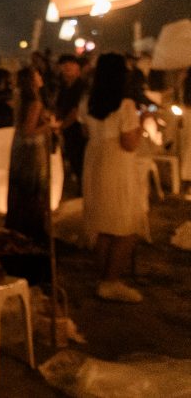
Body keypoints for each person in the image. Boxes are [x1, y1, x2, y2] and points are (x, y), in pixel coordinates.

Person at [81, 53, 148, 303]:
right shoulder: (126, 105)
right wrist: (143, 122)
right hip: (117, 164)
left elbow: (85, 131)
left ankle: (103, 279)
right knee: (125, 226)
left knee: (103, 224)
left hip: (95, 160)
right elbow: (129, 143)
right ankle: (111, 281)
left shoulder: (87, 102)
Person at [5, 66, 56, 244]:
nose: (40, 77)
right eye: (37, 75)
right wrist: (49, 126)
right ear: (32, 80)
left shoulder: (21, 99)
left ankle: (19, 228)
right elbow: (28, 131)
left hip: (20, 149)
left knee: (21, 189)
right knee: (33, 189)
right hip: (31, 151)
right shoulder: (35, 102)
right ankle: (32, 230)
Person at [55, 54, 88, 192]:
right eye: (64, 65)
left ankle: (84, 189)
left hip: (79, 130)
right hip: (68, 130)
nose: (67, 67)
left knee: (81, 160)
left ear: (77, 68)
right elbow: (59, 107)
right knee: (74, 159)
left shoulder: (81, 86)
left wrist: (61, 127)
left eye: (70, 64)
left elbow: (76, 111)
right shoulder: (64, 87)